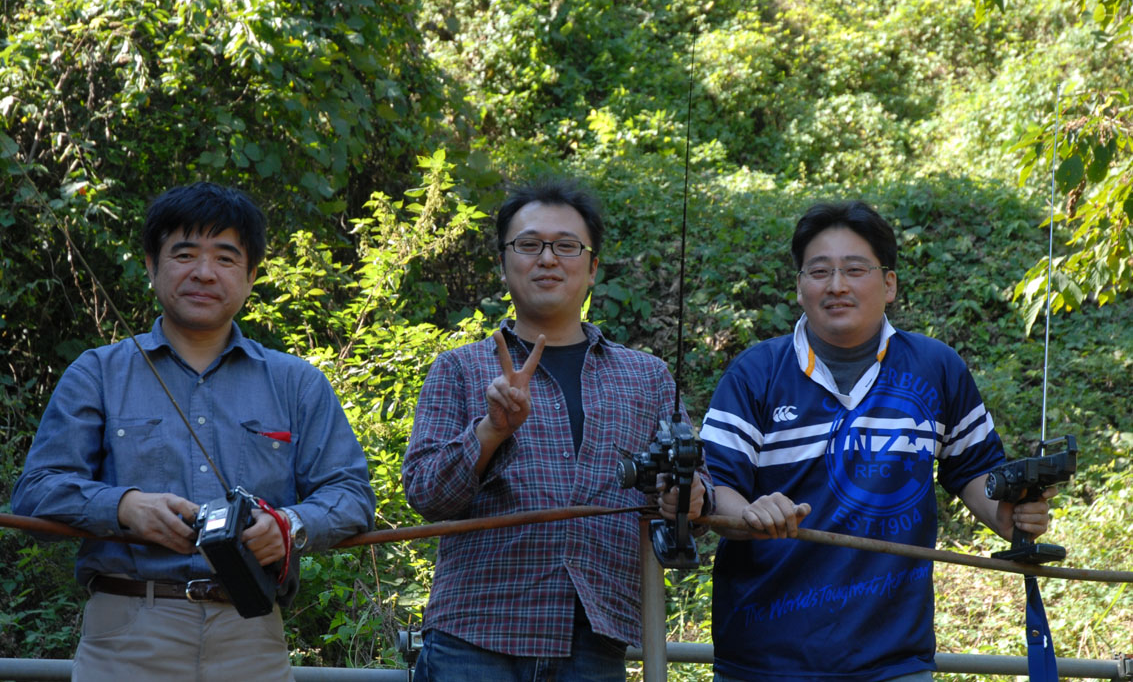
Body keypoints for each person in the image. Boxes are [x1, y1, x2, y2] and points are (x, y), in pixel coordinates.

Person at [13, 182, 376, 680]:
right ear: (151, 266)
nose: (204, 272)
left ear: (251, 276)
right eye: (184, 254)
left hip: (252, 636)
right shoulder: (97, 373)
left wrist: (289, 525)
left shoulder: (298, 383)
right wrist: (124, 507)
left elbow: (351, 494)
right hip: (126, 634)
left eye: (226, 258)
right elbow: (35, 492)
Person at [700, 201, 1055, 682]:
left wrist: (1008, 516)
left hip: (893, 659)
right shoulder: (755, 373)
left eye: (855, 269)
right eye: (819, 271)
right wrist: (750, 514)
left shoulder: (935, 368)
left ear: (889, 284)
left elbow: (974, 471)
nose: (836, 285)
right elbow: (715, 487)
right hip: (762, 658)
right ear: (800, 287)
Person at [402, 177, 713, 681]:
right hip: (474, 636)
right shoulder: (459, 368)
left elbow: (698, 495)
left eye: (566, 246)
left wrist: (690, 497)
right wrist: (490, 432)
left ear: (592, 268)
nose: (547, 259)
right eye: (529, 245)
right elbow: (425, 494)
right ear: (503, 263)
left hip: (595, 639)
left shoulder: (647, 376)